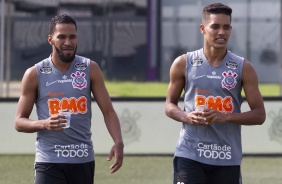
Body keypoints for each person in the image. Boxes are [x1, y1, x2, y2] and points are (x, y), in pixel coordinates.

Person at [14, 14, 124, 184]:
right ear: (50, 39)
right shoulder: (34, 74)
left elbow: (108, 111)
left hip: (82, 159)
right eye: (62, 37)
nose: (68, 42)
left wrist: (118, 141)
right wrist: (44, 124)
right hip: (49, 160)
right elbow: (19, 122)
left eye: (72, 37)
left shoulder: (90, 68)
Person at [165, 3, 265, 184]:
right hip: (190, 154)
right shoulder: (183, 63)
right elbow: (169, 106)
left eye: (226, 27)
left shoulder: (244, 67)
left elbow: (259, 115)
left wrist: (224, 116)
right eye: (215, 26)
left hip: (227, 157)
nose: (222, 32)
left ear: (231, 29)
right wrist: (186, 116)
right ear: (203, 29)